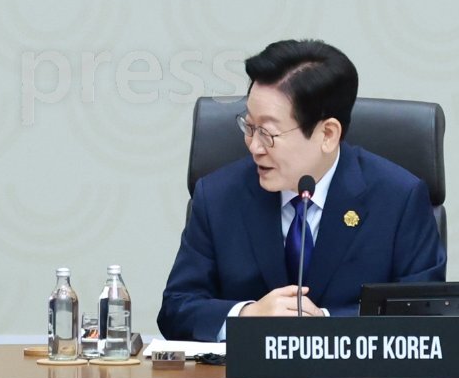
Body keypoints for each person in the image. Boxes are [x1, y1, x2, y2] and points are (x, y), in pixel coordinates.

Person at [158, 39, 445, 341]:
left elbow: (422, 316)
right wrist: (247, 315)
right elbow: (176, 309)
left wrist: (326, 324)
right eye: (249, 126)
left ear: (328, 134)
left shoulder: (399, 198)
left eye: (267, 133)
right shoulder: (218, 195)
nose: (254, 146)